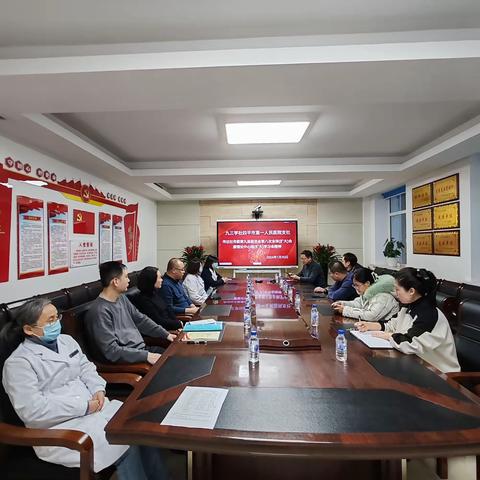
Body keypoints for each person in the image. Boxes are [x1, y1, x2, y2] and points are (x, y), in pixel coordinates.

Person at [1, 298, 170, 479]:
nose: (56, 323)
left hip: (95, 408)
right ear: (29, 329)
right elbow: (33, 411)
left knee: (141, 428)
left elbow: (87, 368)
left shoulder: (66, 341)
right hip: (60, 428)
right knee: (122, 444)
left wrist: (98, 389)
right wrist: (85, 406)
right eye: (49, 320)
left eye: (56, 317)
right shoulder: (19, 363)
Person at [355, 267, 460, 373]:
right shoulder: (409, 306)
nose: (395, 293)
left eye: (397, 289)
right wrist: (372, 326)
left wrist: (389, 336)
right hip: (417, 365)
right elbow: (393, 325)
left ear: (411, 291)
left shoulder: (428, 314)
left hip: (439, 373)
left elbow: (409, 343)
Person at [85, 261, 176, 365]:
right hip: (129, 360)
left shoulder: (121, 298)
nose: (129, 280)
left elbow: (140, 319)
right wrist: (146, 356)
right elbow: (111, 351)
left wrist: (166, 334)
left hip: (141, 351)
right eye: (126, 277)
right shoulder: (99, 311)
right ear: (115, 281)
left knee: (176, 357)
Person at [332, 268, 399, 322]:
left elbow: (371, 316)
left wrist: (345, 310)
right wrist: (342, 303)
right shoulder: (368, 292)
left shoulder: (383, 296)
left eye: (357, 285)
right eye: (354, 285)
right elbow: (359, 304)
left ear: (367, 283)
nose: (356, 288)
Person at [132, 266, 183, 330]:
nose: (162, 280)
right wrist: (177, 324)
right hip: (163, 333)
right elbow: (158, 321)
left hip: (172, 327)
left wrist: (178, 322)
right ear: (152, 280)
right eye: (159, 278)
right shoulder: (143, 300)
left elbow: (168, 309)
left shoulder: (155, 292)